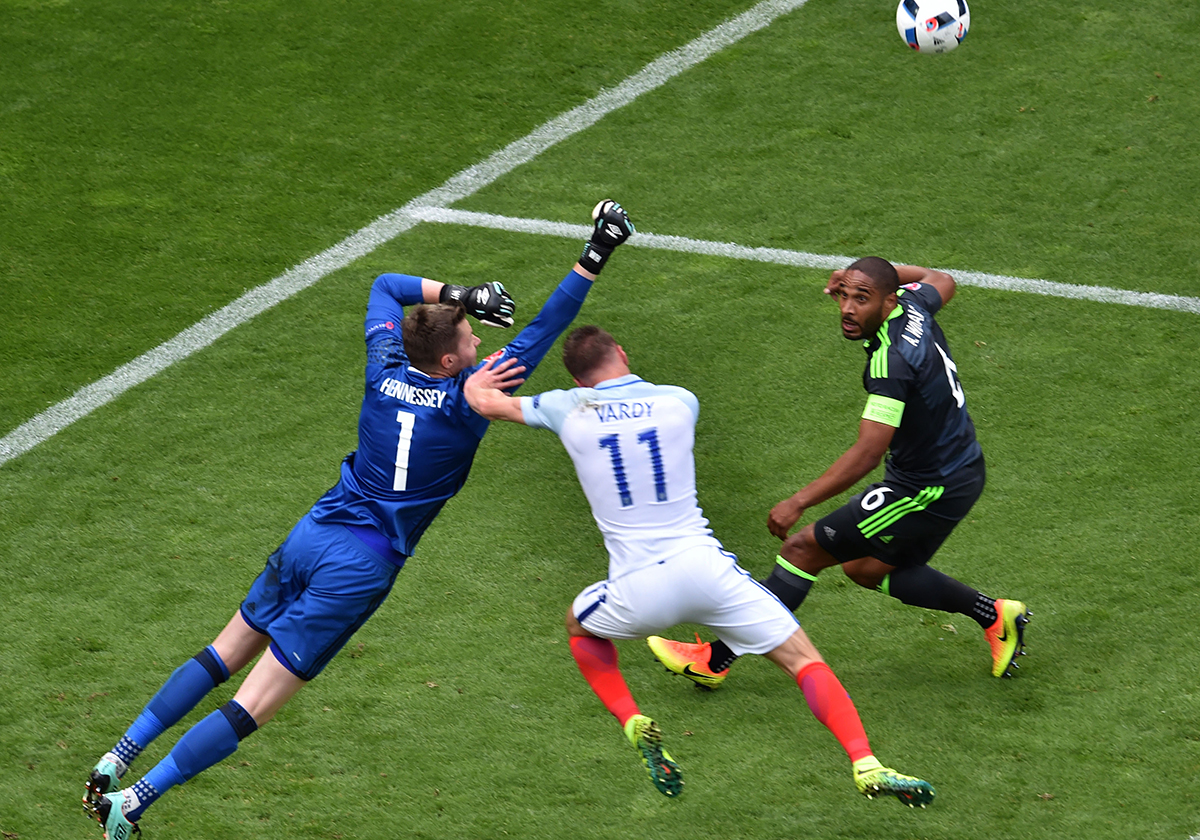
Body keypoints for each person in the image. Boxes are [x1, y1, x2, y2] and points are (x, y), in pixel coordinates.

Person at [81, 200, 636, 839]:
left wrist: (461, 295)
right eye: (471, 338)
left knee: (224, 651)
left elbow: (384, 286)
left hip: (313, 531)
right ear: (454, 363)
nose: (481, 340)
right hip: (361, 564)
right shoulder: (468, 399)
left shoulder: (384, 369)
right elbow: (546, 327)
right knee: (252, 702)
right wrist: (595, 254)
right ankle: (134, 801)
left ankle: (115, 758)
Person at [464, 325, 935, 806]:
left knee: (579, 627)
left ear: (580, 381)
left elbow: (483, 402)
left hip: (636, 588)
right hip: (706, 570)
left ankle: (632, 721)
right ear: (623, 354)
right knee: (803, 660)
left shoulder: (568, 408)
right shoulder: (679, 400)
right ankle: (865, 763)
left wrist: (476, 376)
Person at [647, 257, 1030, 691]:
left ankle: (715, 659)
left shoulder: (892, 363)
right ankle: (995, 615)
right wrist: (868, 278)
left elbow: (868, 453)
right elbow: (941, 278)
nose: (847, 308)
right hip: (958, 470)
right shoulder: (913, 304)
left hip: (925, 487)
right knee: (864, 569)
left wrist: (799, 501)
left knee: (801, 550)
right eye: (844, 295)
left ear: (887, 301)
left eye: (861, 299)